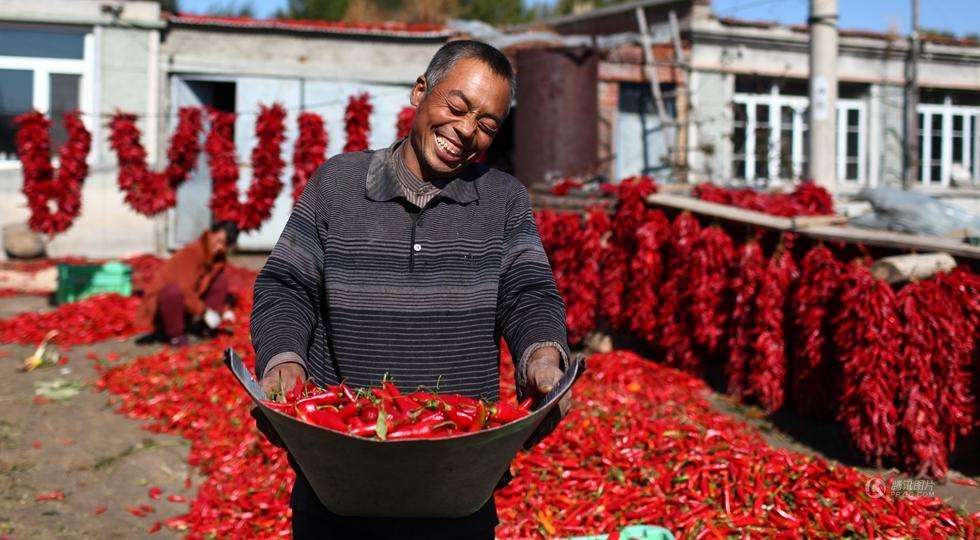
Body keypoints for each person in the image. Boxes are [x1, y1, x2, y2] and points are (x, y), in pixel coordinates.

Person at [250, 40, 572, 539]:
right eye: (457, 107)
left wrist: (542, 356)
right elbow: (286, 285)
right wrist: (282, 360)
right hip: (340, 472)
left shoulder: (504, 201)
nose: (466, 131)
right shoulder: (339, 184)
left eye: (487, 124)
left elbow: (527, 292)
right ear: (420, 91)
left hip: (457, 478)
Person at [137, 221, 238, 347]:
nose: (219, 247)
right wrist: (204, 312)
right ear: (211, 234)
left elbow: (213, 285)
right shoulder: (191, 253)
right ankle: (175, 336)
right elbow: (184, 291)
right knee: (172, 291)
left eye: (224, 245)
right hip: (162, 309)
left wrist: (223, 311)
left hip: (185, 305)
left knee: (220, 279)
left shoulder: (217, 258)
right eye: (218, 241)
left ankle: (203, 328)